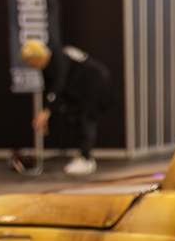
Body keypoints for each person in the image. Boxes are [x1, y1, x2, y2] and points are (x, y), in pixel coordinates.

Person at [22, 38, 113, 178]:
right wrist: (46, 112)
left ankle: (86, 159)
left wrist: (47, 112)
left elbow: (58, 85)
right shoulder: (47, 63)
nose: (34, 67)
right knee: (76, 117)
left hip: (95, 83)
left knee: (86, 118)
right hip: (81, 87)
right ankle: (83, 156)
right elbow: (49, 89)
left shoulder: (58, 57)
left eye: (33, 63)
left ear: (38, 58)